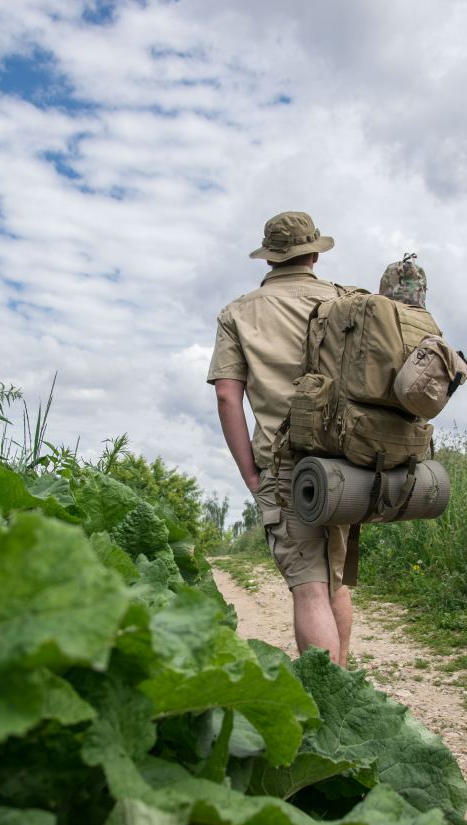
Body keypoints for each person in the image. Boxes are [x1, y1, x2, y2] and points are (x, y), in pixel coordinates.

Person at [206, 211, 354, 667]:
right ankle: (344, 685)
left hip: (287, 465)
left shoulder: (238, 313)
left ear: (269, 258)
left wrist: (252, 473)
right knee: (336, 579)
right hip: (352, 463)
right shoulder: (346, 301)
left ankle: (329, 700)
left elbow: (229, 398)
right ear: (313, 253)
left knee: (309, 589)